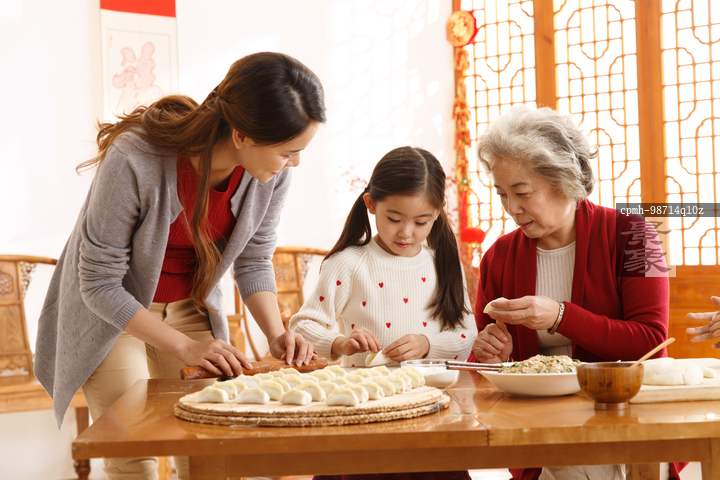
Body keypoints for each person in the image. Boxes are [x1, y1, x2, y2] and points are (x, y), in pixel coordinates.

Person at [34, 51, 325, 480]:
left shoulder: (271, 174)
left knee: (210, 447)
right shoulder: (135, 158)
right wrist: (187, 349)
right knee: (134, 450)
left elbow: (254, 259)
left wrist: (277, 334)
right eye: (289, 151)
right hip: (114, 312)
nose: (295, 162)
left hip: (191, 304)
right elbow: (98, 283)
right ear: (242, 135)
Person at [468, 105, 685, 480]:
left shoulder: (639, 235)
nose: (512, 209)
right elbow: (484, 367)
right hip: (542, 423)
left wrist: (560, 316)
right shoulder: (498, 256)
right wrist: (490, 354)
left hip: (630, 412)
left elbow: (650, 338)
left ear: (565, 179)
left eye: (522, 192)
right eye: (502, 194)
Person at [290, 146, 476, 480]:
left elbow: (466, 332)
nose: (407, 233)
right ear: (371, 205)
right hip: (362, 413)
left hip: (431, 411)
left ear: (437, 213)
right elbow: (304, 325)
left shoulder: (443, 263)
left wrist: (426, 343)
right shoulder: (347, 263)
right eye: (394, 219)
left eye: (422, 221)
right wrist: (340, 343)